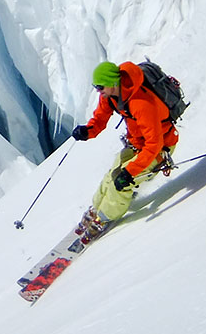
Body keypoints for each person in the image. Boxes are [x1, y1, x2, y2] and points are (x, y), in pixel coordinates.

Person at [70, 60, 179, 244]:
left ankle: (104, 217)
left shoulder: (140, 103)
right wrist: (88, 131)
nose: (98, 91)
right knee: (110, 176)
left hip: (160, 149)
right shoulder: (110, 96)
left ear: (112, 82)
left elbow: (154, 143)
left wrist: (130, 172)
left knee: (121, 183)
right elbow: (100, 118)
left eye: (100, 86)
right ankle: (96, 208)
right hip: (137, 145)